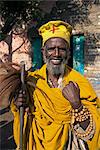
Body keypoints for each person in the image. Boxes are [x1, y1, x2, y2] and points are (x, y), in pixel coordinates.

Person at [11, 20, 100, 150]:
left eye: (62, 49)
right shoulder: (31, 82)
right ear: (43, 52)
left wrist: (77, 105)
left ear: (68, 53)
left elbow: (94, 133)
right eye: (51, 49)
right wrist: (19, 105)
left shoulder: (80, 82)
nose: (57, 54)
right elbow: (23, 121)